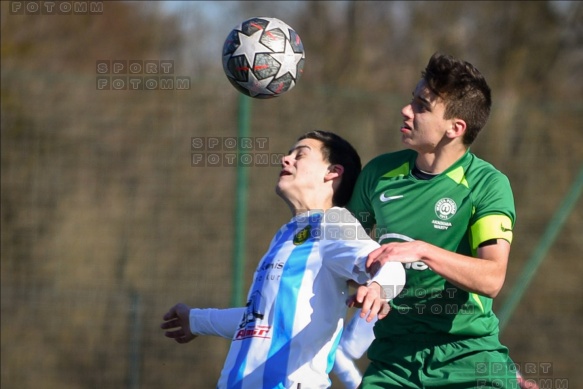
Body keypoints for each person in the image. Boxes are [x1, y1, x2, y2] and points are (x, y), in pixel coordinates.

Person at [161, 130, 406, 388]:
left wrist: (379, 288)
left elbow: (392, 266)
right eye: (289, 154)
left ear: (332, 172)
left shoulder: (334, 224)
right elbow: (262, 320)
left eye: (300, 155)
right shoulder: (287, 233)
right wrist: (196, 321)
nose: (285, 160)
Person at [347, 53, 521, 388]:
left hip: (468, 359)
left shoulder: (487, 185)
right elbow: (343, 254)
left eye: (421, 106)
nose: (406, 110)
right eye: (411, 100)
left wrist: (422, 251)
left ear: (455, 128)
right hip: (392, 361)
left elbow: (492, 278)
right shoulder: (378, 174)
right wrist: (369, 284)